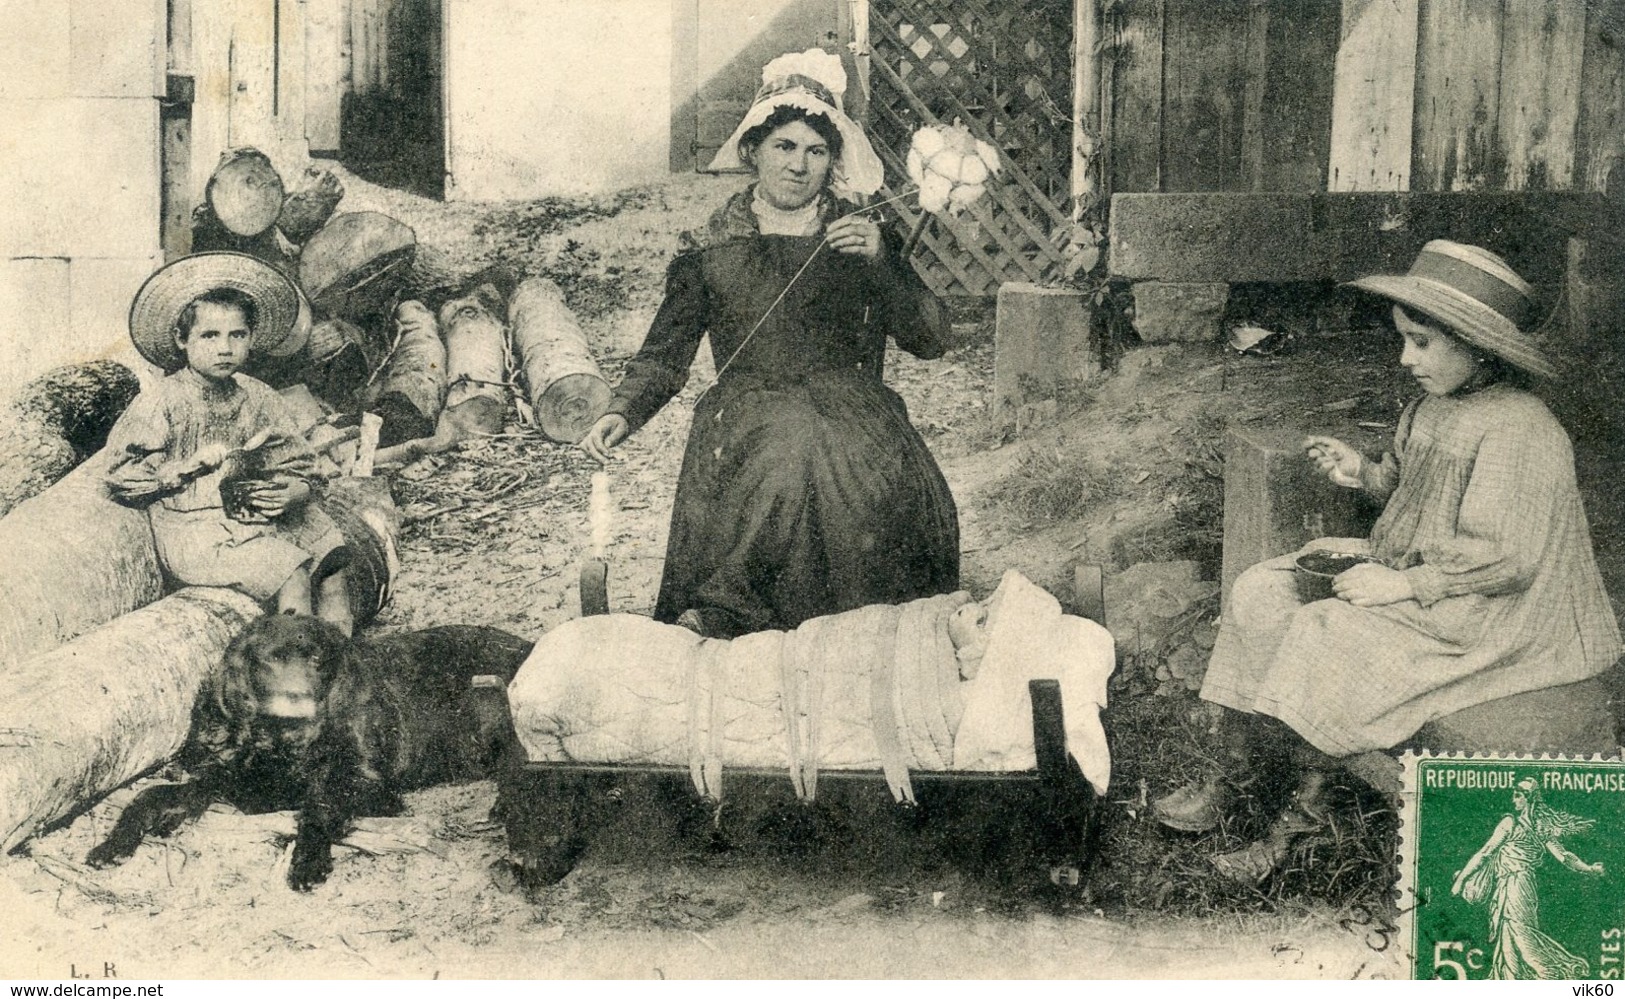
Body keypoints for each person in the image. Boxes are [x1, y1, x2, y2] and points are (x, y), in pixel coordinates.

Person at [1152, 240, 1622, 882]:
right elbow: (1404, 485)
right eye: (1404, 339)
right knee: (1261, 589)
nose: (1406, 358)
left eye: (1422, 342)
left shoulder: (1523, 430)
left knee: (1326, 631)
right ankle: (1233, 775)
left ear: (1477, 345)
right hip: (1427, 583)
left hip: (1495, 621)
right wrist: (1361, 473)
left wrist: (1402, 583)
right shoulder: (1432, 407)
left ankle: (1301, 823)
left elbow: (1510, 561)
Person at [579, 48, 959, 639]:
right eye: (784, 147)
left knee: (876, 478)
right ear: (753, 151)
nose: (798, 166)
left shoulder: (861, 236)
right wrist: (622, 411)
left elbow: (932, 338)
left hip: (854, 407)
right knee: (788, 443)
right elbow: (665, 352)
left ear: (833, 161)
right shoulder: (711, 246)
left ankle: (870, 630)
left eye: (816, 151)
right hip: (747, 409)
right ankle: (730, 609)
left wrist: (885, 264)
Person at [106, 253, 354, 634]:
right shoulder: (164, 400)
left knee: (334, 564)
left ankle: (341, 665)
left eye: (237, 335)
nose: (225, 348)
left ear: (251, 338)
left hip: (259, 512)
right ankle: (297, 669)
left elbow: (299, 461)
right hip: (195, 529)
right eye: (210, 335)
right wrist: (187, 468)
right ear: (182, 339)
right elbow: (124, 476)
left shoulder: (258, 396)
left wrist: (297, 490)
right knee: (293, 576)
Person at [1451, 777, 1603, 979]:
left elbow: (1485, 852)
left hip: (1515, 886)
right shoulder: (1541, 830)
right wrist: (1589, 869)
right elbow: (1565, 857)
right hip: (1520, 887)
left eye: (1517, 795)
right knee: (1510, 935)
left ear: (1528, 798)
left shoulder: (1510, 823)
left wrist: (1461, 879)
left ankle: (1551, 973)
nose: (1513, 800)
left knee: (1519, 932)